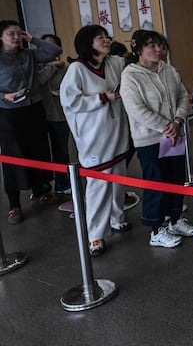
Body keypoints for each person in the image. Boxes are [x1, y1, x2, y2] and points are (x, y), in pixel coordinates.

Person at [121, 29, 193, 248]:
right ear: (138, 50)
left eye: (159, 45)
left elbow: (183, 95)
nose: (158, 50)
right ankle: (156, 229)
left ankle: (175, 219)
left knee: (175, 178)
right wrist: (165, 126)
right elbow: (136, 109)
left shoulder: (169, 70)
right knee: (156, 182)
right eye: (151, 46)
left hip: (174, 134)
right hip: (150, 140)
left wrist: (178, 120)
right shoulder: (130, 75)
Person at [60, 25, 131, 256]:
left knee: (119, 176)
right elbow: (69, 101)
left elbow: (129, 72)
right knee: (98, 185)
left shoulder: (113, 63)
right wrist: (102, 98)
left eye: (106, 36)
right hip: (93, 138)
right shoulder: (77, 69)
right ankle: (95, 236)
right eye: (99, 38)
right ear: (87, 43)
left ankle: (117, 217)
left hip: (117, 132)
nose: (106, 40)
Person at [0, 20, 61, 224]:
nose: (16, 37)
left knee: (38, 149)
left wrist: (32, 39)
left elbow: (54, 51)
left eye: (19, 33)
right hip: (9, 113)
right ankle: (14, 205)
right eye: (11, 34)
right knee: (14, 155)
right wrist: (3, 97)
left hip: (34, 108)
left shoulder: (28, 54)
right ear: (1, 37)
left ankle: (41, 190)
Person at [38, 33, 71, 195]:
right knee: (42, 152)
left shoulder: (67, 68)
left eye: (52, 46)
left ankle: (62, 183)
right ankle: (41, 187)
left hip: (60, 115)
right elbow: (39, 82)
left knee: (63, 151)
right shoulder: (36, 67)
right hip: (40, 116)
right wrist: (51, 66)